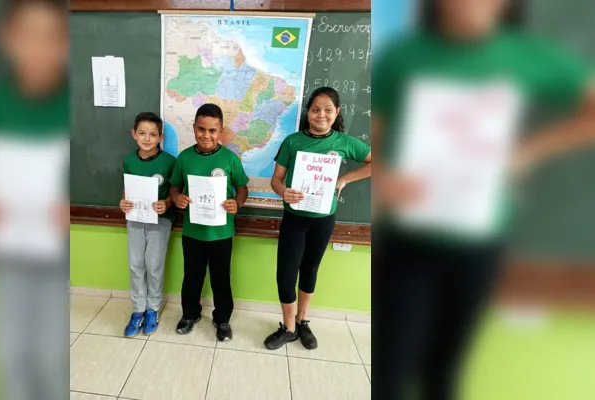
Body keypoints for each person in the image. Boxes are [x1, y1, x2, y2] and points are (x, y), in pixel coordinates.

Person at [371, 0, 595, 399]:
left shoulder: (525, 54)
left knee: (443, 374)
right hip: (408, 242)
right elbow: (378, 134)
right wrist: (384, 178)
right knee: (389, 372)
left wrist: (531, 150)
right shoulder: (404, 56)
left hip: (478, 243)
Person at [0, 1, 69, 399]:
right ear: (7, 39)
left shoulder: (70, 105)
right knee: (10, 361)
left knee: (52, 361)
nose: (39, 49)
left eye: (52, 37)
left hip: (58, 256)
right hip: (8, 250)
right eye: (27, 35)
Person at [263, 87, 372, 351]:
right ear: (308, 112)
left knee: (310, 270)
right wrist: (283, 192)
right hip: (294, 219)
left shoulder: (345, 142)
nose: (321, 115)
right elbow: (276, 180)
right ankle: (288, 328)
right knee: (286, 275)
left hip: (323, 220)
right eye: (315, 109)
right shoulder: (293, 142)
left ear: (337, 113)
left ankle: (302, 321)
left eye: (327, 110)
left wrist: (344, 179)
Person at [169, 103, 250, 341]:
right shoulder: (184, 158)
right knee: (191, 276)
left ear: (221, 131)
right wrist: (177, 198)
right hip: (192, 233)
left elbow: (242, 187)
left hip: (221, 234)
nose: (206, 135)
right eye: (201, 129)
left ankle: (222, 319)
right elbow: (174, 186)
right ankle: (189, 314)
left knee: (220, 278)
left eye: (212, 130)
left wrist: (238, 202)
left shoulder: (229, 159)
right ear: (194, 128)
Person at [119, 112, 175, 337]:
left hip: (160, 220)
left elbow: (174, 192)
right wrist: (123, 202)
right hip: (135, 218)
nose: (147, 138)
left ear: (160, 137)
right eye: (142, 133)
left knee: (153, 265)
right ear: (134, 134)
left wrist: (167, 203)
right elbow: (127, 188)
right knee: (135, 264)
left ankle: (152, 308)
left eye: (153, 134)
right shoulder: (129, 160)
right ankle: (137, 310)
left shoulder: (169, 161)